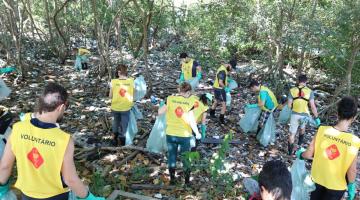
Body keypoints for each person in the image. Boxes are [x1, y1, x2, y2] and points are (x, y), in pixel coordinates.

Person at [0, 83, 104, 200]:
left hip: (27, 195)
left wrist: (2, 189)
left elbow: (5, 166)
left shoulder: (18, 128)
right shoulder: (64, 140)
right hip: (55, 196)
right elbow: (70, 179)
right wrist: (89, 197)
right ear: (60, 108)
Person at [297, 96, 359, 200]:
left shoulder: (322, 130)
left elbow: (308, 154)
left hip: (317, 180)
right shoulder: (354, 141)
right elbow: (352, 170)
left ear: (338, 113)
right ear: (354, 118)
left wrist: (301, 155)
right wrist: (351, 186)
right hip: (336, 187)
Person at [158, 82, 201, 184]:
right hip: (184, 135)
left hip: (171, 134)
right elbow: (191, 120)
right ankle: (186, 182)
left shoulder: (170, 99)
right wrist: (197, 133)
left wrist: (165, 104)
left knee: (172, 156)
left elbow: (160, 112)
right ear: (188, 92)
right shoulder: (190, 102)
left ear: (179, 90)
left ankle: (172, 179)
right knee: (185, 157)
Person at [287, 74, 320, 155]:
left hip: (294, 114)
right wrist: (316, 117)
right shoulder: (310, 91)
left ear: (298, 81)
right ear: (306, 81)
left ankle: (289, 152)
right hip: (304, 115)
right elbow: (312, 106)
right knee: (302, 129)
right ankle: (299, 145)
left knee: (292, 134)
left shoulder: (292, 90)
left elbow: (289, 105)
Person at [109, 64, 135, 146]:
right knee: (124, 124)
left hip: (115, 107)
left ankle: (114, 139)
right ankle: (123, 140)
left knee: (116, 122)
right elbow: (134, 93)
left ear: (118, 72)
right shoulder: (131, 81)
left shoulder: (113, 81)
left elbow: (110, 96)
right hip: (126, 107)